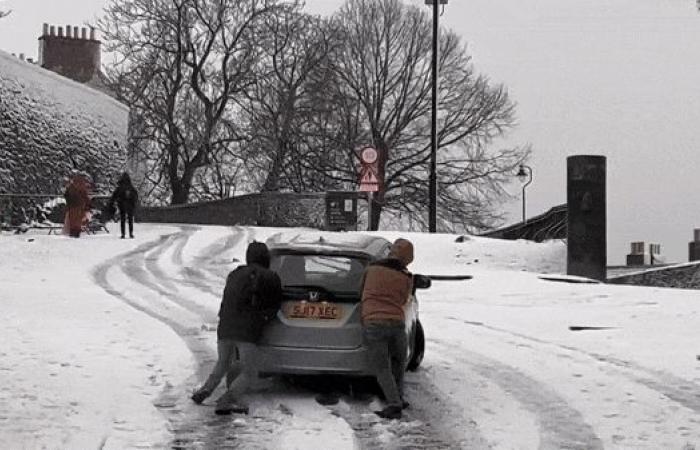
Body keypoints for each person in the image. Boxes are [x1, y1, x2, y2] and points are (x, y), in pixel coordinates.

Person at [191, 241, 283, 415]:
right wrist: (263, 319)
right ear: (266, 258)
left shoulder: (235, 273)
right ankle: (227, 400)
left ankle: (205, 390)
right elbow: (274, 305)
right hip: (247, 332)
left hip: (225, 327)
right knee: (250, 372)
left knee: (223, 362)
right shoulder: (271, 277)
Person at [360, 238, 414, 420]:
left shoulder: (371, 269)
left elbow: (361, 291)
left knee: (382, 367)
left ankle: (393, 404)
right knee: (398, 362)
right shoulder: (406, 277)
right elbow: (404, 300)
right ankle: (398, 397)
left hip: (374, 322)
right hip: (397, 323)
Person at [110, 172, 138, 239]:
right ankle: (131, 234)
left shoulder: (120, 187)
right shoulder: (131, 187)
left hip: (122, 205)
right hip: (130, 205)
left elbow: (115, 195)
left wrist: (113, 202)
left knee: (123, 219)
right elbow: (135, 196)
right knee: (130, 220)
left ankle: (123, 234)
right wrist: (133, 203)